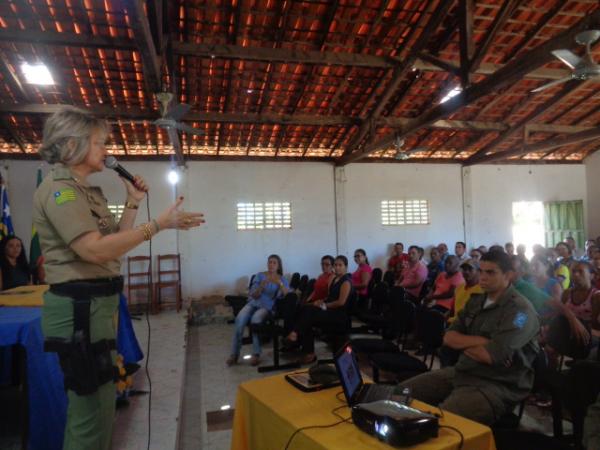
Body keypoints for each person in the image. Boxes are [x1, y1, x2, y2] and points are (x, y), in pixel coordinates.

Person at [33, 106, 204, 450]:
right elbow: (94, 250)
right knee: (87, 415)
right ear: (73, 146)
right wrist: (157, 225)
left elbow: (113, 247)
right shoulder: (61, 191)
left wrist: (132, 203)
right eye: (100, 144)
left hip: (98, 306)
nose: (108, 152)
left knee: (102, 404)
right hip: (80, 310)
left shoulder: (85, 191)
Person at [397, 250, 540, 425]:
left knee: (442, 423)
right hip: (463, 371)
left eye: (491, 272)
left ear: (508, 275)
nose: (483, 277)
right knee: (400, 394)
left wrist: (466, 343)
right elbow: (449, 338)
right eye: (481, 271)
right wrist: (487, 342)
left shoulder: (521, 312)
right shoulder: (476, 301)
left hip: (496, 385)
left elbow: (490, 355)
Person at [285, 255, 353, 364]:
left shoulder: (346, 282)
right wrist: (320, 301)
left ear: (346, 267)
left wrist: (324, 305)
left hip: (339, 315)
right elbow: (330, 296)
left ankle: (296, 336)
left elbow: (341, 302)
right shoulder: (335, 279)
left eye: (340, 265)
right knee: (306, 311)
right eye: (336, 265)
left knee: (308, 315)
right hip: (330, 310)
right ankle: (304, 347)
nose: (337, 267)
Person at [227, 255, 289, 366]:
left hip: (267, 306)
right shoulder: (260, 276)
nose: (271, 265)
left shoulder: (282, 279)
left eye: (274, 263)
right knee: (239, 321)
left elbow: (285, 294)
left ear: (278, 265)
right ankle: (234, 354)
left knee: (256, 320)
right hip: (253, 303)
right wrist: (261, 286)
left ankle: (256, 354)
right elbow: (253, 295)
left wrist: (279, 283)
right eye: (269, 262)